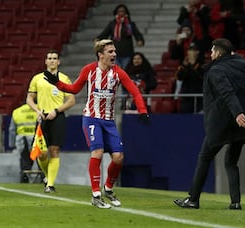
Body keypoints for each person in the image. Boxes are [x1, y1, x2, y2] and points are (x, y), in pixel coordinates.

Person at [43, 39, 149, 209]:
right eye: (110, 52)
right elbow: (74, 89)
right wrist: (56, 82)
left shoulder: (118, 73)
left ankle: (107, 188)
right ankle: (96, 195)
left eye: (114, 51)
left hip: (108, 121)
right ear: (101, 55)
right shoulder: (89, 70)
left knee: (119, 157)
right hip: (91, 118)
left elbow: (134, 90)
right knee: (97, 152)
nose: (114, 54)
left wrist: (142, 110)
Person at [173, 38, 245, 210]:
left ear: (219, 53)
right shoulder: (240, 65)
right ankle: (235, 202)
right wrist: (236, 57)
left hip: (224, 121)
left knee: (205, 157)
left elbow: (227, 93)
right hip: (242, 122)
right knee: (231, 161)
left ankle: (193, 199)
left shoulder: (216, 70)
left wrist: (237, 113)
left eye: (213, 51)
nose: (211, 53)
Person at [26, 49, 76, 193]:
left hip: (57, 117)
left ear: (59, 61)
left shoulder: (64, 79)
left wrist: (57, 110)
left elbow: (71, 100)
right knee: (41, 153)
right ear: (46, 61)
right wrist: (36, 110)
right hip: (42, 117)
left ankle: (50, 185)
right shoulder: (37, 78)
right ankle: (48, 177)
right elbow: (29, 98)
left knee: (54, 150)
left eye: (55, 58)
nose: (52, 60)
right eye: (50, 58)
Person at [95, 4, 144, 69]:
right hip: (114, 51)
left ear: (126, 12)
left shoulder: (130, 24)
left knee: (125, 70)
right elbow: (105, 33)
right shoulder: (112, 24)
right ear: (116, 12)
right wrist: (98, 39)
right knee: (115, 70)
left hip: (127, 52)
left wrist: (139, 40)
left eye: (123, 11)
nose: (121, 13)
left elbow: (137, 34)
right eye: (119, 11)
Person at [8, 103, 38, 183]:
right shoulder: (40, 109)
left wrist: (12, 145)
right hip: (38, 140)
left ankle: (24, 179)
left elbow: (12, 130)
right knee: (41, 161)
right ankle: (43, 179)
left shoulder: (17, 112)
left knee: (25, 162)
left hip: (22, 140)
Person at [174, 44, 204, 113]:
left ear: (197, 52)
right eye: (189, 50)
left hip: (199, 98)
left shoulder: (202, 64)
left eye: (193, 50)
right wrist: (185, 66)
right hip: (186, 98)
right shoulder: (183, 65)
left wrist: (193, 65)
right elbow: (179, 77)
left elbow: (202, 76)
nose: (191, 52)